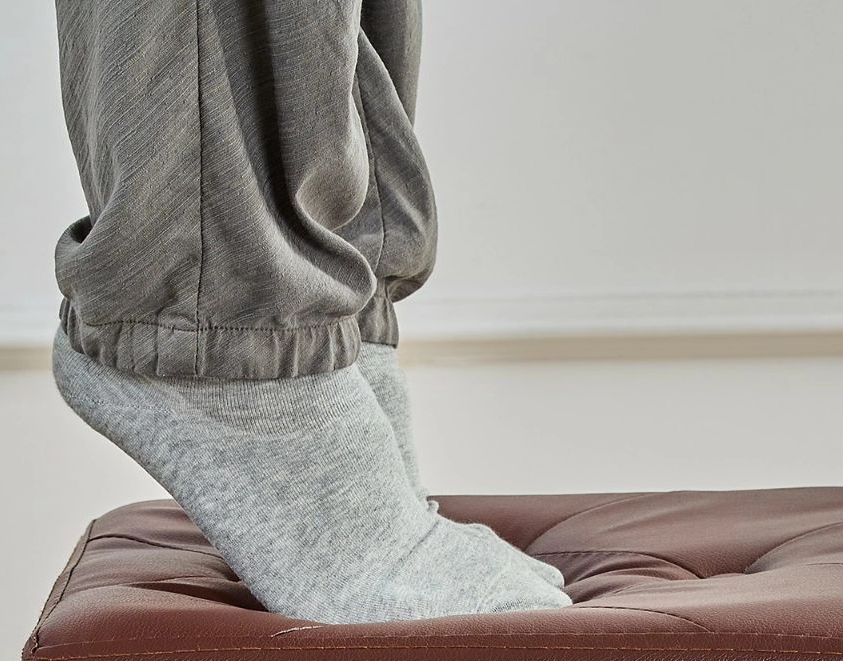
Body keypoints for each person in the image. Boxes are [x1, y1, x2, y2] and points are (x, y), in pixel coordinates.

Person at [50, 0, 572, 623]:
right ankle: (218, 342)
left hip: (308, 315)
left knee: (327, 25)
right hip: (210, 313)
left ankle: (322, 339)